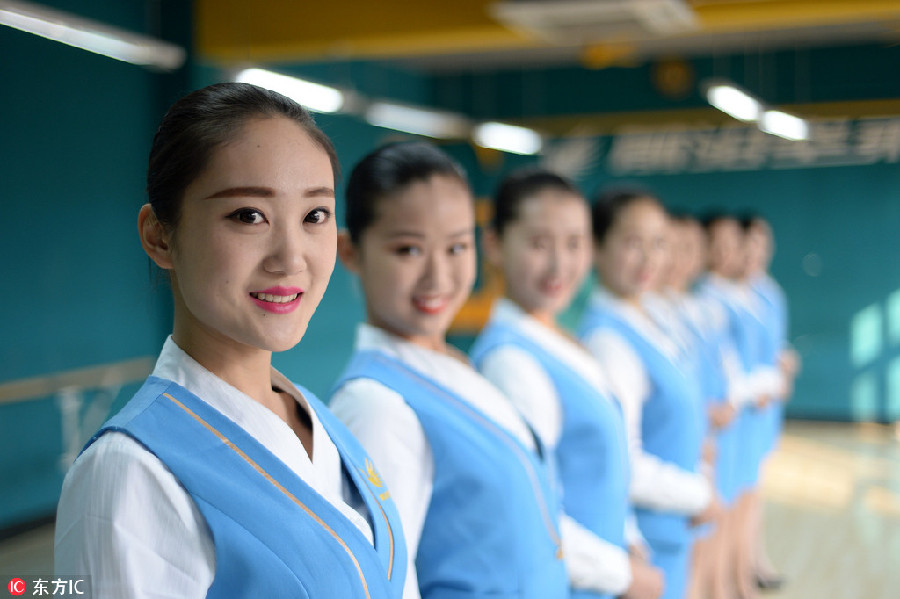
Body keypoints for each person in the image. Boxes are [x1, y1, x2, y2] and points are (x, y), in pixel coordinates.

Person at [54, 82, 405, 598]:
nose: (291, 258)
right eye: (248, 216)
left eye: (314, 216)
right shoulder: (130, 474)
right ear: (159, 235)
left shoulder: (319, 423)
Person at [329, 142, 569, 599]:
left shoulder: (454, 367)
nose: (438, 277)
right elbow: (386, 587)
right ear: (350, 251)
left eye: (457, 247)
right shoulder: (376, 406)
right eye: (408, 250)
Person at [469, 167, 664, 599]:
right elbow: (533, 513)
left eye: (575, 243)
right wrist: (622, 574)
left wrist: (629, 537)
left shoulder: (563, 343)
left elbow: (603, 470)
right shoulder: (510, 363)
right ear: (495, 244)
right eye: (540, 244)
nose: (560, 265)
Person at [577, 189, 721, 599]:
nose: (648, 259)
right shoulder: (608, 340)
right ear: (598, 248)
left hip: (674, 527)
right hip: (646, 540)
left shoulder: (649, 316)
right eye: (631, 243)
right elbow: (624, 461)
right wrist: (698, 494)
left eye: (658, 243)